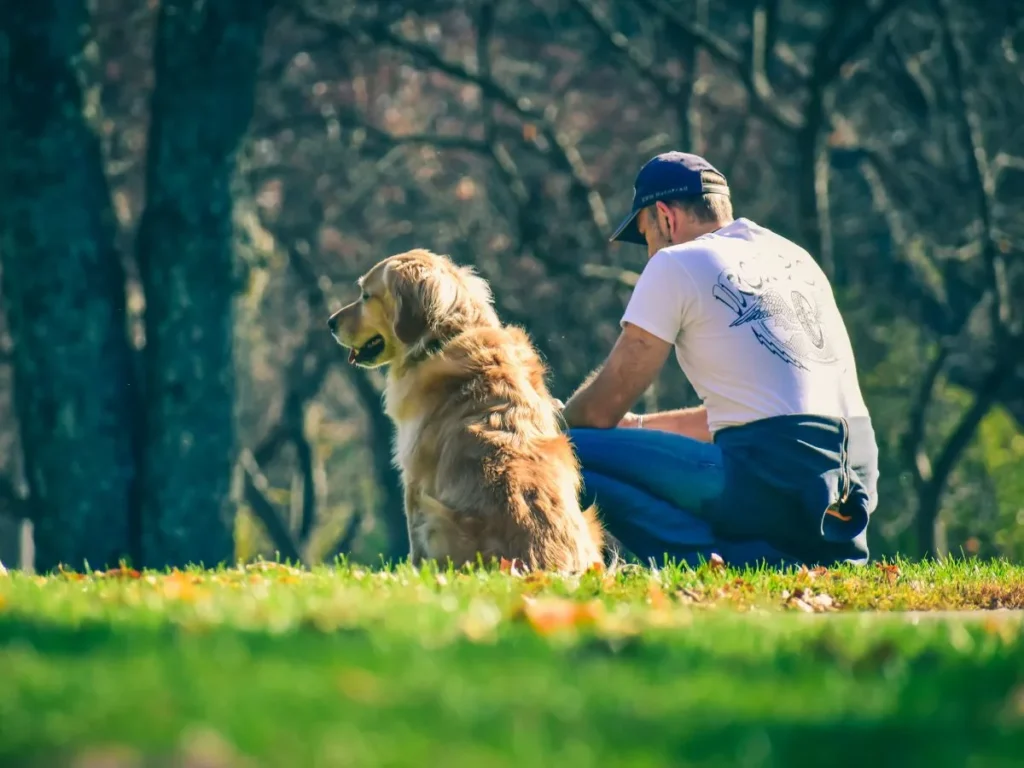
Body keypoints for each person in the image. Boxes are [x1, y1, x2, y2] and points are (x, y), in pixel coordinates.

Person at [560, 151, 879, 568]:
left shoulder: (676, 262)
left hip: (771, 478)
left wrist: (551, 422)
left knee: (558, 454)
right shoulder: (797, 259)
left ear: (666, 218)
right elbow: (764, 415)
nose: (649, 254)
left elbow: (602, 408)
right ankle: (790, 555)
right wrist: (638, 426)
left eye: (647, 237)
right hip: (852, 485)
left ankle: (725, 560)